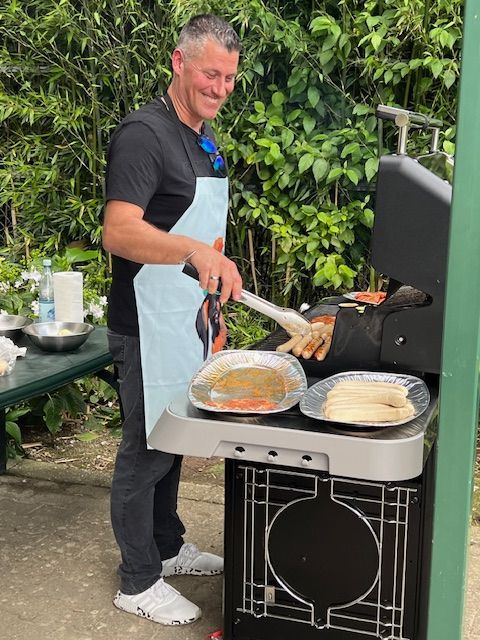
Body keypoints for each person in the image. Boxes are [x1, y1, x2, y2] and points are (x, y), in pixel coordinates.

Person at [102, 14, 243, 626]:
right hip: (144, 324)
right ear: (178, 62)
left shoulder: (201, 138)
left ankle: (166, 545)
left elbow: (201, 234)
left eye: (229, 79)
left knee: (174, 443)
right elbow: (119, 231)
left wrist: (213, 312)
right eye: (211, 74)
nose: (220, 88)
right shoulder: (145, 134)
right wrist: (192, 252)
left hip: (186, 319)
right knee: (145, 449)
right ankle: (137, 580)